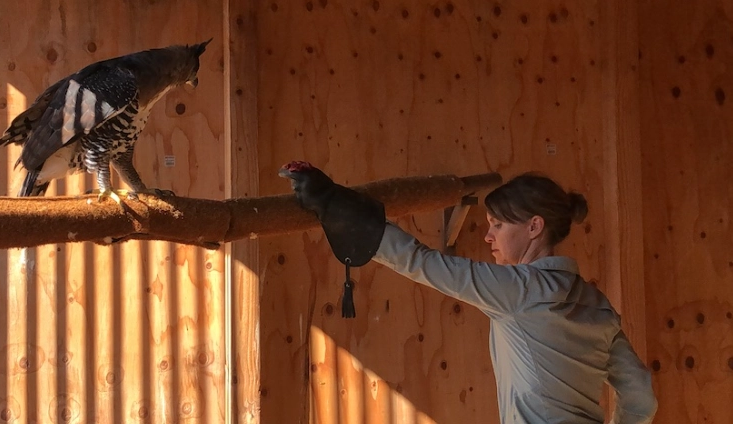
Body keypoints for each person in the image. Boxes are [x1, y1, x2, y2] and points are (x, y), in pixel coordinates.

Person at [281, 164, 658, 424]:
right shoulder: (599, 305)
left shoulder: (517, 291)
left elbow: (420, 262)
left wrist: (332, 202)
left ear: (534, 227)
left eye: (497, 224)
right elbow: (640, 396)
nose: (488, 235)